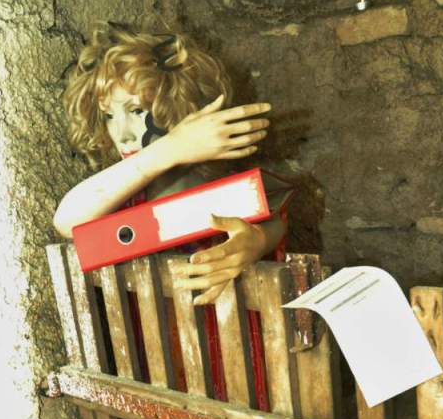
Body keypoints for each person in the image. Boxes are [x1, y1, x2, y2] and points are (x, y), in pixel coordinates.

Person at [54, 23, 287, 306]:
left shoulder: (227, 188)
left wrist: (258, 241)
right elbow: (66, 220)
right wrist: (171, 147)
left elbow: (273, 221)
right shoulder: (122, 195)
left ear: (178, 105)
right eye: (109, 116)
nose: (122, 134)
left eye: (136, 110)